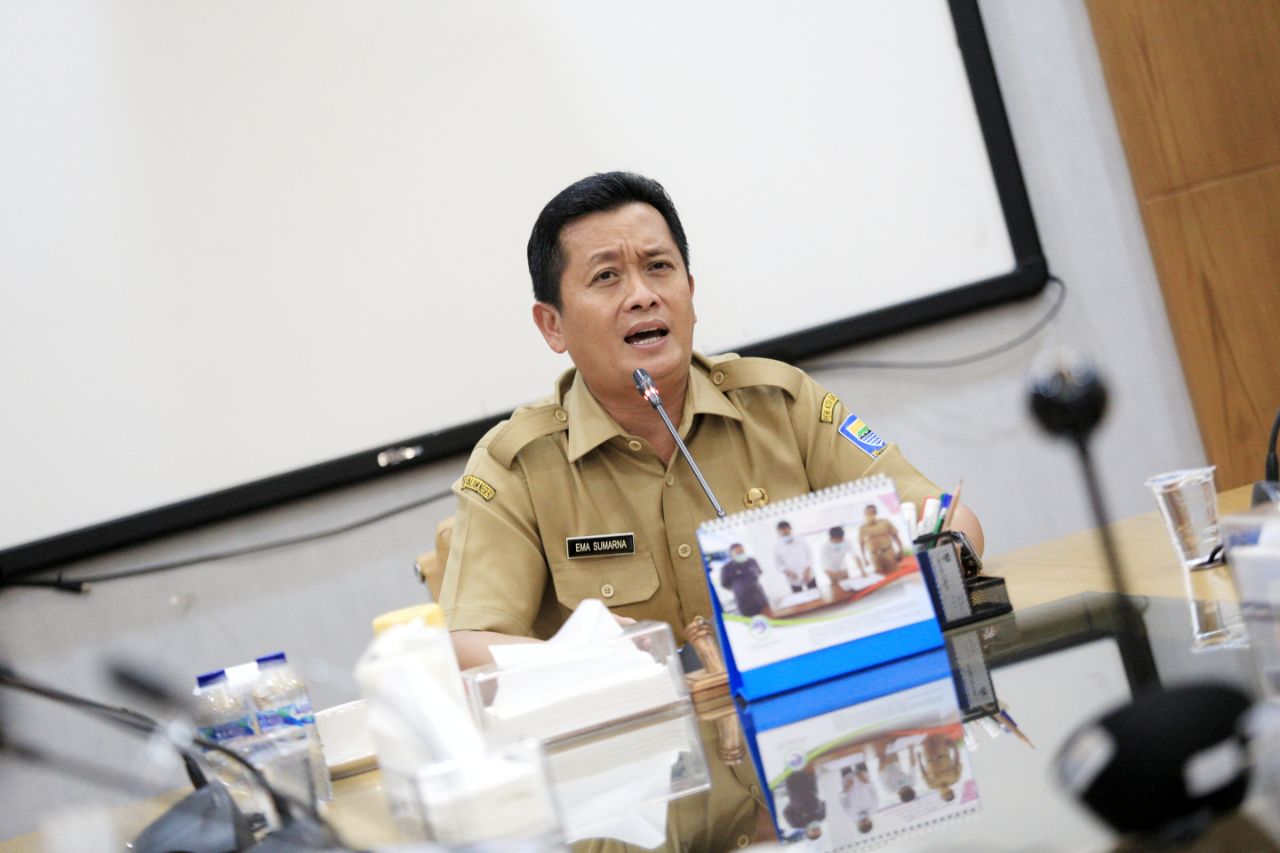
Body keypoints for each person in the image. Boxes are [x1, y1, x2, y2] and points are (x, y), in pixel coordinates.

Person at [439, 171, 984, 849]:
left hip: (831, 799)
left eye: (659, 267)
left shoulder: (782, 405)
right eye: (606, 277)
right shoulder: (516, 464)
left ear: (690, 290)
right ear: (552, 324)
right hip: (646, 831)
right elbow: (465, 649)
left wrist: (933, 567)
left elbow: (944, 519)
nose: (643, 294)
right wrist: (592, 663)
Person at [720, 543, 770, 617]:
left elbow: (759, 573)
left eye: (742, 552)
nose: (741, 554)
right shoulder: (726, 568)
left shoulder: (752, 561)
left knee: (769, 619)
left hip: (761, 600)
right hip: (745, 604)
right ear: (731, 555)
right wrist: (739, 588)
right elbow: (724, 584)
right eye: (738, 553)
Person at [915, 732, 964, 802]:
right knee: (937, 732)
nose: (946, 791)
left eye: (945, 794)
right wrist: (955, 747)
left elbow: (923, 773)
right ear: (951, 791)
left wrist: (919, 759)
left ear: (941, 795)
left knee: (923, 734)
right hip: (942, 750)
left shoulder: (931, 785)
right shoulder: (955, 778)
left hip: (929, 753)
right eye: (949, 792)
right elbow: (957, 761)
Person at [859, 503, 905, 576]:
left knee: (895, 575)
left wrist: (901, 550)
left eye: (871, 513)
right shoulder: (862, 528)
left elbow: (895, 536)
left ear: (875, 513)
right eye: (867, 513)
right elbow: (861, 544)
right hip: (874, 556)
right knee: (880, 576)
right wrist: (864, 559)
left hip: (888, 553)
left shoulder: (885, 522)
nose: (869, 515)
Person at [774, 520, 816, 593]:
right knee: (799, 598)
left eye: (787, 533)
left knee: (815, 595)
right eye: (783, 534)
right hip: (793, 579)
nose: (786, 536)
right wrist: (788, 572)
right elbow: (779, 565)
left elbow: (810, 557)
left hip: (808, 574)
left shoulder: (802, 540)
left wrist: (807, 571)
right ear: (779, 533)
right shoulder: (777, 547)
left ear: (790, 530)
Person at [838, 763, 878, 835]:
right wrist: (865, 780)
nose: (864, 823)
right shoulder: (874, 808)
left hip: (847, 779)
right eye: (867, 824)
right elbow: (873, 791)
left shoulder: (850, 814)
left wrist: (847, 788)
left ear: (858, 825)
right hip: (862, 775)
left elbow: (841, 798)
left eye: (862, 825)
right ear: (870, 822)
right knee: (859, 757)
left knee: (842, 760)